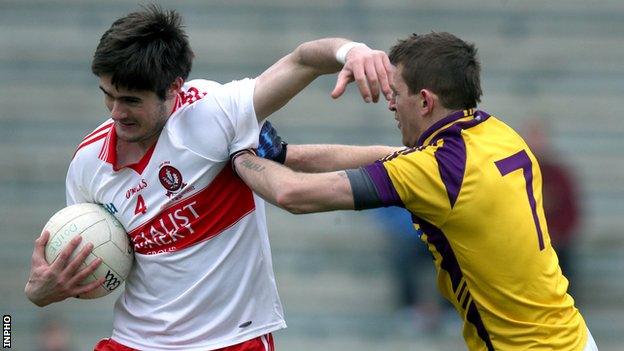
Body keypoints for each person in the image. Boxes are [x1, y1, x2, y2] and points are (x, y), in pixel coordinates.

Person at [23, 4, 398, 351]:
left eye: (132, 101)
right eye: (109, 96)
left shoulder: (214, 112)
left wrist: (352, 51)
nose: (116, 113)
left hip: (233, 339)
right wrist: (41, 291)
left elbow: (302, 61)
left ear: (173, 88)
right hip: (135, 341)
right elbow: (90, 259)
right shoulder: (88, 163)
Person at [231, 32, 599, 350]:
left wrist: (239, 156)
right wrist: (282, 154)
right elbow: (390, 156)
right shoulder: (495, 133)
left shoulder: (436, 172)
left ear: (425, 101)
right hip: (571, 336)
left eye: (396, 93)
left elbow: (292, 195)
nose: (390, 102)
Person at [522, 118, 582, 294]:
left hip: (556, 244)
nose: (536, 143)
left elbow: (572, 212)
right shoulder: (517, 174)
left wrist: (557, 235)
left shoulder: (559, 174)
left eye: (539, 137)